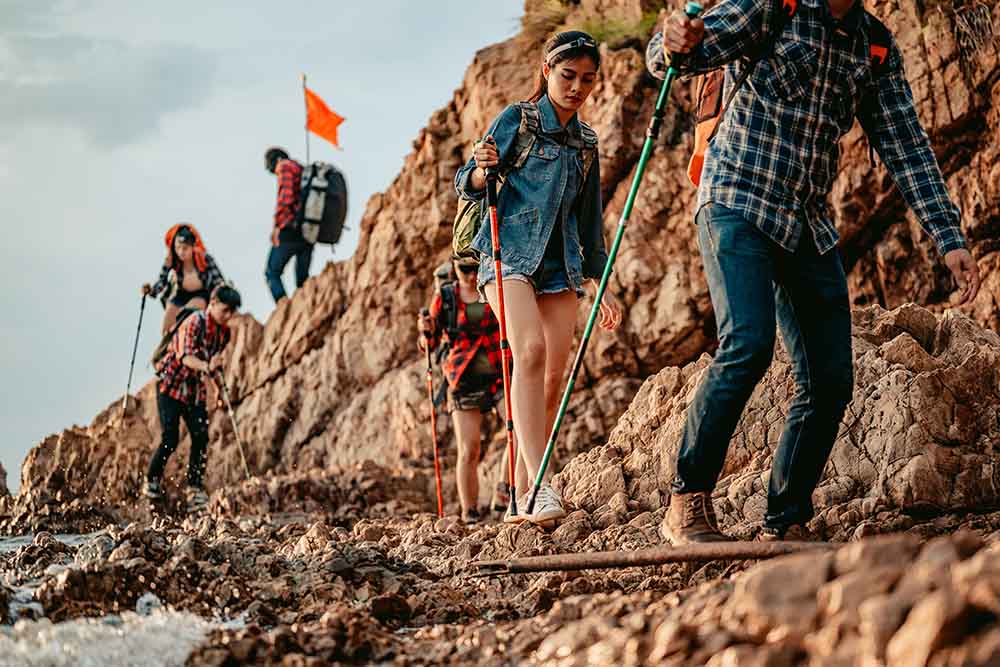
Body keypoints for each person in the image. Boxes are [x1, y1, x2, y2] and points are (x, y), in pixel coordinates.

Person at [651, 0, 981, 544]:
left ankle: (786, 518)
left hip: (807, 222)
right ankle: (687, 500)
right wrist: (672, 41)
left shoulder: (873, 46)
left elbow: (908, 148)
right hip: (735, 199)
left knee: (829, 379)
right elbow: (679, 57)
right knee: (748, 344)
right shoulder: (770, 7)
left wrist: (948, 236)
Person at [454, 31, 623, 527]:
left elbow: (589, 221)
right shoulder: (518, 120)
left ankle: (519, 493)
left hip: (561, 268)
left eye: (587, 80)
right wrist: (483, 172)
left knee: (549, 380)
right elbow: (466, 179)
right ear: (547, 71)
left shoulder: (587, 142)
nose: (576, 87)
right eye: (567, 75)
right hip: (507, 258)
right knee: (528, 352)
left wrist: (600, 281)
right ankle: (538, 487)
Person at [417, 255, 505, 524]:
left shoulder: (494, 285)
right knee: (470, 449)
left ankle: (504, 490)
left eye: (475, 267)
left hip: (500, 371)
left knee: (519, 432)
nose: (470, 274)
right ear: (454, 267)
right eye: (464, 268)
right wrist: (425, 332)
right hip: (462, 377)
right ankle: (470, 513)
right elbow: (428, 345)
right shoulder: (446, 297)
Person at [145, 284, 242, 511]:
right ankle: (152, 480)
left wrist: (219, 388)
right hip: (170, 385)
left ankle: (195, 490)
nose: (228, 316)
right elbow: (185, 357)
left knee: (200, 437)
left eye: (232, 312)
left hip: (194, 389)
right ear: (213, 303)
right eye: (225, 310)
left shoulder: (223, 333)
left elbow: (215, 363)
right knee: (171, 437)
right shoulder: (194, 323)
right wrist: (207, 366)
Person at [142, 224, 226, 335]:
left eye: (185, 248)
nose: (181, 252)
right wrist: (151, 291)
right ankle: (165, 350)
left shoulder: (205, 259)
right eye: (178, 248)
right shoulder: (172, 260)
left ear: (193, 247)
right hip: (180, 294)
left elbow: (219, 281)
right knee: (167, 327)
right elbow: (162, 282)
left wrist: (224, 297)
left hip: (201, 295)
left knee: (187, 314)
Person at [264, 147, 313, 303]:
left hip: (291, 229)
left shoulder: (284, 166)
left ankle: (283, 307)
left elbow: (286, 200)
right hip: (309, 230)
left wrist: (277, 227)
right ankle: (305, 307)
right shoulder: (300, 168)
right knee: (302, 280)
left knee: (272, 272)